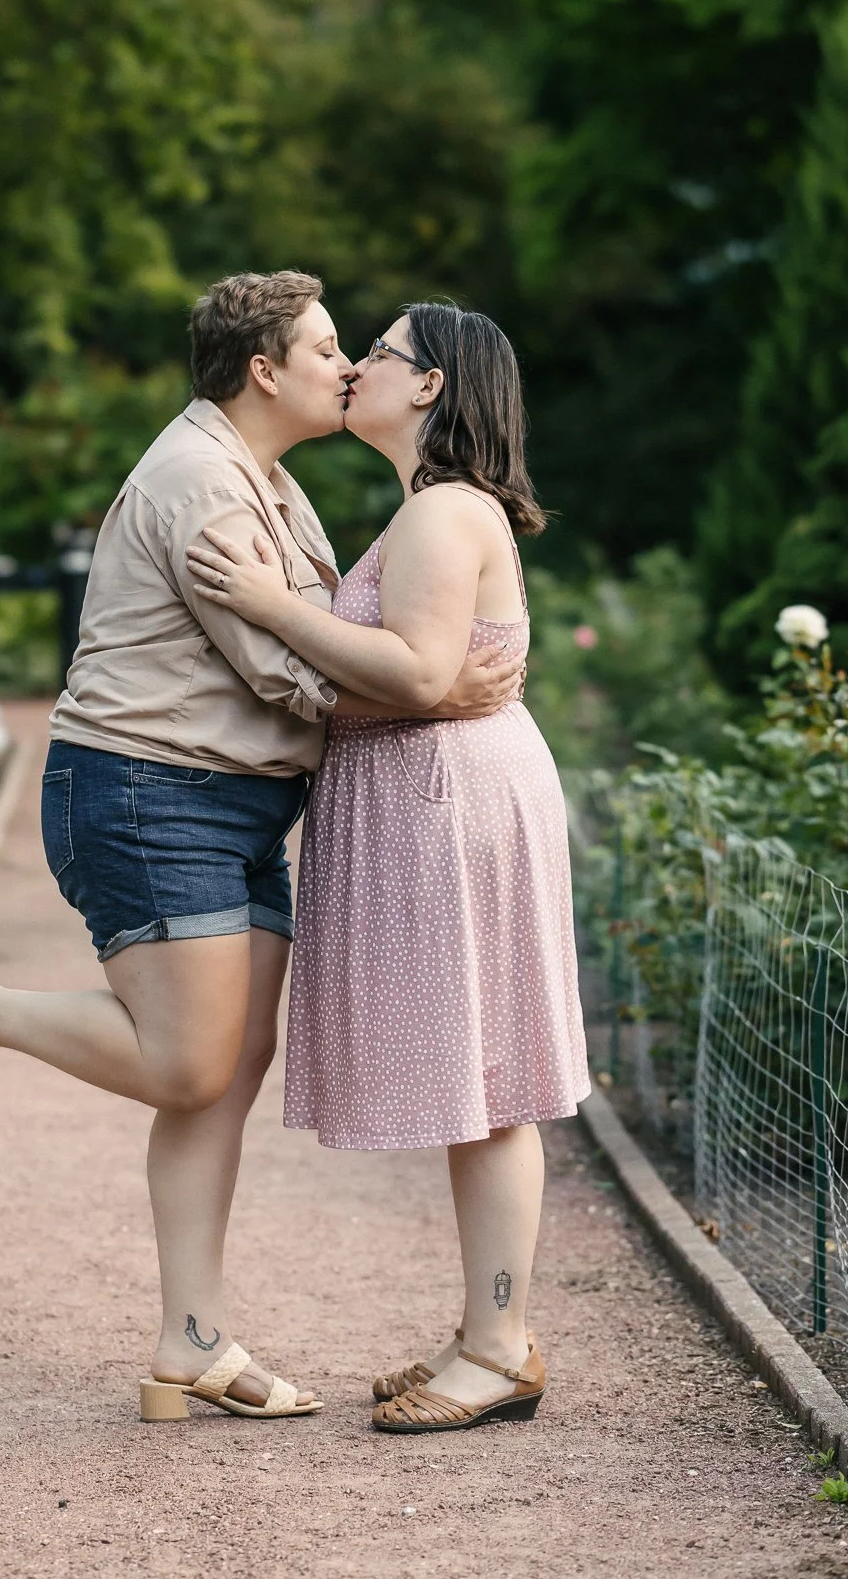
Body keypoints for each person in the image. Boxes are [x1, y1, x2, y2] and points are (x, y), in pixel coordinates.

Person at [0, 272, 521, 1422]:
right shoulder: (200, 483)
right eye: (328, 348)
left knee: (221, 1079)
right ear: (264, 370)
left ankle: (191, 1342)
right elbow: (291, 670)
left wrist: (418, 676)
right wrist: (435, 693)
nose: (345, 366)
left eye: (355, 349)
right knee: (187, 1063)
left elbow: (334, 645)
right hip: (149, 788)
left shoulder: (273, 484)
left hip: (237, 804)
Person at [186, 301, 589, 1433]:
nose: (355, 366)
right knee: (484, 1076)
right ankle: (485, 1333)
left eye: (380, 352)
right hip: (444, 792)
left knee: (493, 1081)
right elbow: (413, 673)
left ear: (429, 387)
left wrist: (267, 603)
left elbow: (416, 675)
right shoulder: (429, 511)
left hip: (449, 797)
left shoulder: (443, 511)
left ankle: (500, 1347)